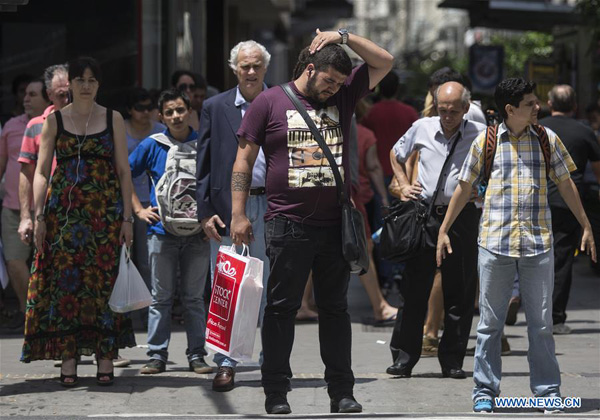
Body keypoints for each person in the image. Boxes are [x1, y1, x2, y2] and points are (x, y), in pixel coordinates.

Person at [230, 28, 393, 414]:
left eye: (340, 82)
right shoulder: (268, 103)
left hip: (335, 224)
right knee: (281, 308)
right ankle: (276, 392)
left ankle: (341, 393)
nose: (334, 89)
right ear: (308, 68)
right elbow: (242, 161)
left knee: (335, 310)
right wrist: (237, 214)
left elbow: (384, 61)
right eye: (328, 80)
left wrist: (343, 36)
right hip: (287, 224)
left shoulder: (346, 96)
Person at [436, 78, 596, 413]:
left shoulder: (547, 139)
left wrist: (586, 225)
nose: (538, 107)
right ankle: (485, 391)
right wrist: (444, 229)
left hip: (538, 245)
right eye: (530, 104)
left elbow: (566, 185)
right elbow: (464, 187)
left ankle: (547, 391)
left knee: (541, 323)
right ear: (510, 110)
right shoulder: (487, 141)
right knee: (490, 324)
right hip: (495, 245)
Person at [21, 56, 136, 387]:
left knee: (102, 285)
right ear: (69, 84)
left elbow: (123, 170)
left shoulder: (113, 118)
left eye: (92, 80)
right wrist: (39, 214)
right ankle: (68, 359)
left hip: (105, 215)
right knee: (66, 286)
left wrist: (127, 218)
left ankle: (105, 358)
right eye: (80, 79)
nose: (86, 85)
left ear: (99, 85)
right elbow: (41, 172)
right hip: (63, 218)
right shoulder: (54, 120)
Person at [386, 82, 485, 380]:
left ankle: (452, 360)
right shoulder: (422, 127)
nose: (448, 116)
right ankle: (404, 358)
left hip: (461, 219)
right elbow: (396, 153)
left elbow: (493, 169)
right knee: (415, 290)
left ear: (466, 109)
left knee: (461, 291)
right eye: (442, 110)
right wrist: (403, 184)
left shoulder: (479, 135)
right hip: (425, 216)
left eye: (454, 111)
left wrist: (481, 192)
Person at [197, 40, 271, 392]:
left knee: (272, 288)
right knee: (227, 288)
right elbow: (204, 166)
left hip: (273, 208)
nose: (251, 72)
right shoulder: (215, 106)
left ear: (266, 67)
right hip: (228, 212)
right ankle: (225, 363)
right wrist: (205, 212)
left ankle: (272, 361)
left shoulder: (282, 104)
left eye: (257, 65)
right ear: (234, 68)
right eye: (245, 66)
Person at [129, 88, 212, 375]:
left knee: (193, 299)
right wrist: (139, 210)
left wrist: (211, 221)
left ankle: (197, 355)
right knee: (160, 298)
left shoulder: (204, 143)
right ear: (161, 116)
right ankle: (156, 355)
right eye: (169, 112)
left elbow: (216, 185)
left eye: (180, 110)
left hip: (198, 235)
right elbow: (124, 174)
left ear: (189, 112)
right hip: (160, 233)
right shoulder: (152, 145)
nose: (176, 116)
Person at [539, 85, 600, 334]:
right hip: (569, 203)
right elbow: (597, 171)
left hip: (537, 200)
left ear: (550, 104)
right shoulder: (584, 131)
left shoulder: (537, 128)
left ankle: (522, 301)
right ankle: (555, 317)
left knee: (533, 256)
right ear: (574, 106)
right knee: (562, 258)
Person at [0, 78, 50, 334]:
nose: (26, 99)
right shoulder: (10, 126)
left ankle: (43, 312)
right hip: (13, 207)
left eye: (32, 94)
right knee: (15, 262)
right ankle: (26, 311)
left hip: (47, 208)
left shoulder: (52, 124)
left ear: (47, 97)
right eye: (25, 95)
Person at [123, 87, 165, 330]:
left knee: (148, 263)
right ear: (129, 110)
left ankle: (150, 316)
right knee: (127, 261)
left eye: (150, 107)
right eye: (140, 108)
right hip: (126, 206)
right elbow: (122, 172)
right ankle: (128, 317)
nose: (146, 112)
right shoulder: (122, 131)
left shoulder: (160, 131)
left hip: (154, 206)